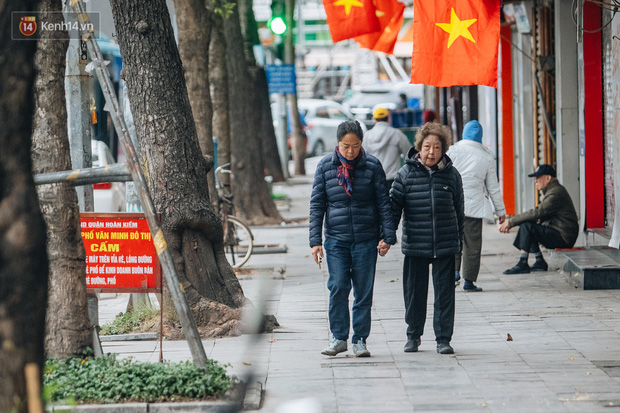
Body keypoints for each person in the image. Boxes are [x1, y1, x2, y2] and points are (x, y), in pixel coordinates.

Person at [309, 120, 396, 358]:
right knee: (337, 287)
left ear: (361, 143)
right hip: (336, 240)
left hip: (366, 240)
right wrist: (315, 240)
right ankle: (338, 337)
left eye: (355, 145)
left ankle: (359, 339)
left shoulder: (372, 166)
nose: (351, 151)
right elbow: (317, 204)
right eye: (346, 146)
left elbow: (383, 203)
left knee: (363, 291)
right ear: (338, 143)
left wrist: (387, 236)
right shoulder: (325, 166)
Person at [390, 122, 464, 355]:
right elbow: (394, 209)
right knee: (414, 293)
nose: (431, 152)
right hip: (415, 244)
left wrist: (458, 243)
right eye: (427, 146)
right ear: (419, 147)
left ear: (444, 150)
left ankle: (443, 339)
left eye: (437, 148)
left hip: (444, 243)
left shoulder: (452, 175)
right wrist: (386, 236)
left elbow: (459, 210)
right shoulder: (405, 174)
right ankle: (413, 336)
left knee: (445, 295)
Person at [447, 120, 506, 292]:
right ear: (480, 137)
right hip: (474, 206)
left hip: (453, 204)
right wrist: (500, 211)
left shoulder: (452, 151)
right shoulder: (487, 156)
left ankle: (454, 272)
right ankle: (469, 282)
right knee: (472, 245)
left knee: (454, 240)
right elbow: (493, 187)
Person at [500, 164, 579, 274]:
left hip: (564, 236)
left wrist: (511, 222)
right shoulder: (553, 190)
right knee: (528, 223)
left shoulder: (556, 193)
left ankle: (523, 262)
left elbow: (538, 212)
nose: (535, 181)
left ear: (548, 178)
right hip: (560, 232)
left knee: (527, 226)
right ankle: (539, 261)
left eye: (538, 178)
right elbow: (541, 214)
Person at [363, 107, 412, 188]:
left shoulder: (367, 136)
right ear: (388, 118)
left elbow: (363, 157)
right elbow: (409, 153)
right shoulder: (397, 134)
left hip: (373, 179)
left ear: (374, 119)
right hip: (393, 180)